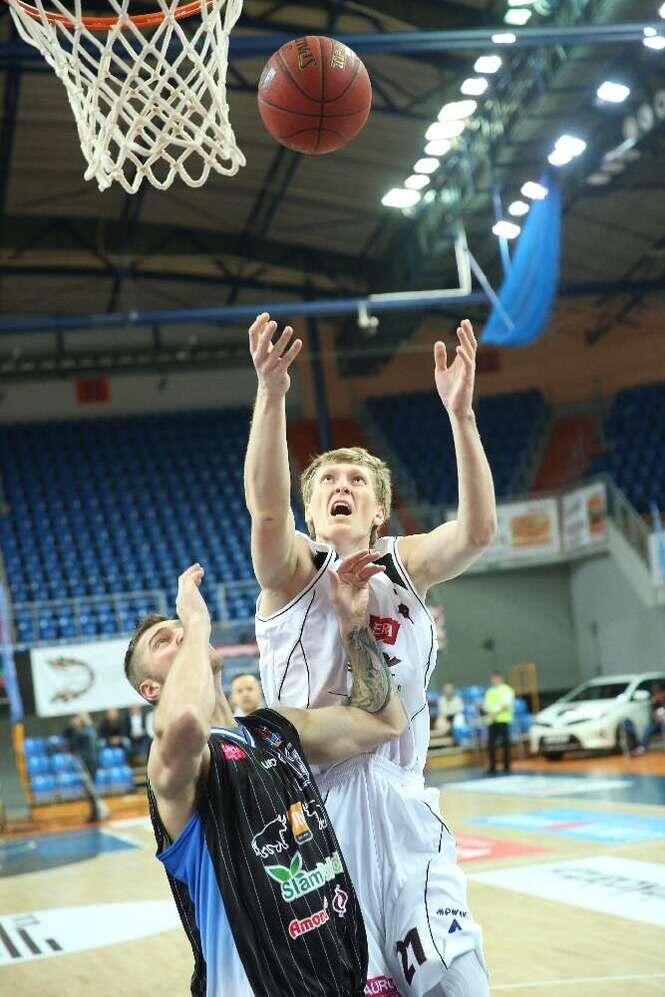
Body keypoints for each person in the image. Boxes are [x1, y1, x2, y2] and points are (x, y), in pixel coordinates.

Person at [244, 312, 496, 996]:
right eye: (327, 481)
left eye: (356, 480)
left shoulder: (402, 566)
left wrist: (461, 416)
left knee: (457, 980)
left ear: (379, 511)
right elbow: (266, 514)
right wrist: (271, 394)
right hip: (317, 814)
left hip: (405, 802)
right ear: (310, 511)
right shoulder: (294, 571)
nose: (341, 486)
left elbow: (476, 531)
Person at [123, 563, 407, 997]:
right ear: (150, 690)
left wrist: (353, 625)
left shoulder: (273, 729)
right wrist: (194, 622)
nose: (180, 636)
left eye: (181, 631)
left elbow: (386, 722)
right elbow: (185, 721)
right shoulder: (172, 764)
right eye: (163, 641)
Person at [63, 711, 109, 822]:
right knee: (89, 789)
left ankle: (98, 812)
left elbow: (79, 736)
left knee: (91, 788)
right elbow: (66, 736)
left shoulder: (88, 730)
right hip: (84, 762)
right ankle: (95, 812)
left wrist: (76, 726)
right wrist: (73, 727)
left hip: (90, 763)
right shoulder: (81, 731)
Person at [483, 671, 515, 775]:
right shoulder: (489, 692)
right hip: (492, 721)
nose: (494, 680)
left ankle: (506, 766)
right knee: (491, 745)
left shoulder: (507, 690)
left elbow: (506, 705)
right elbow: (486, 705)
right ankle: (492, 766)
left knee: (505, 744)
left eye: (496, 678)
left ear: (500, 679)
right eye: (493, 679)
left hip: (503, 721)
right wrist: (490, 712)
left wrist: (494, 713)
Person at [633, 682, 665, 755]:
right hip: (659, 722)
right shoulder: (655, 702)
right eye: (656, 693)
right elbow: (653, 717)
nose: (658, 695)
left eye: (659, 693)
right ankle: (642, 747)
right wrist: (654, 709)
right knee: (647, 728)